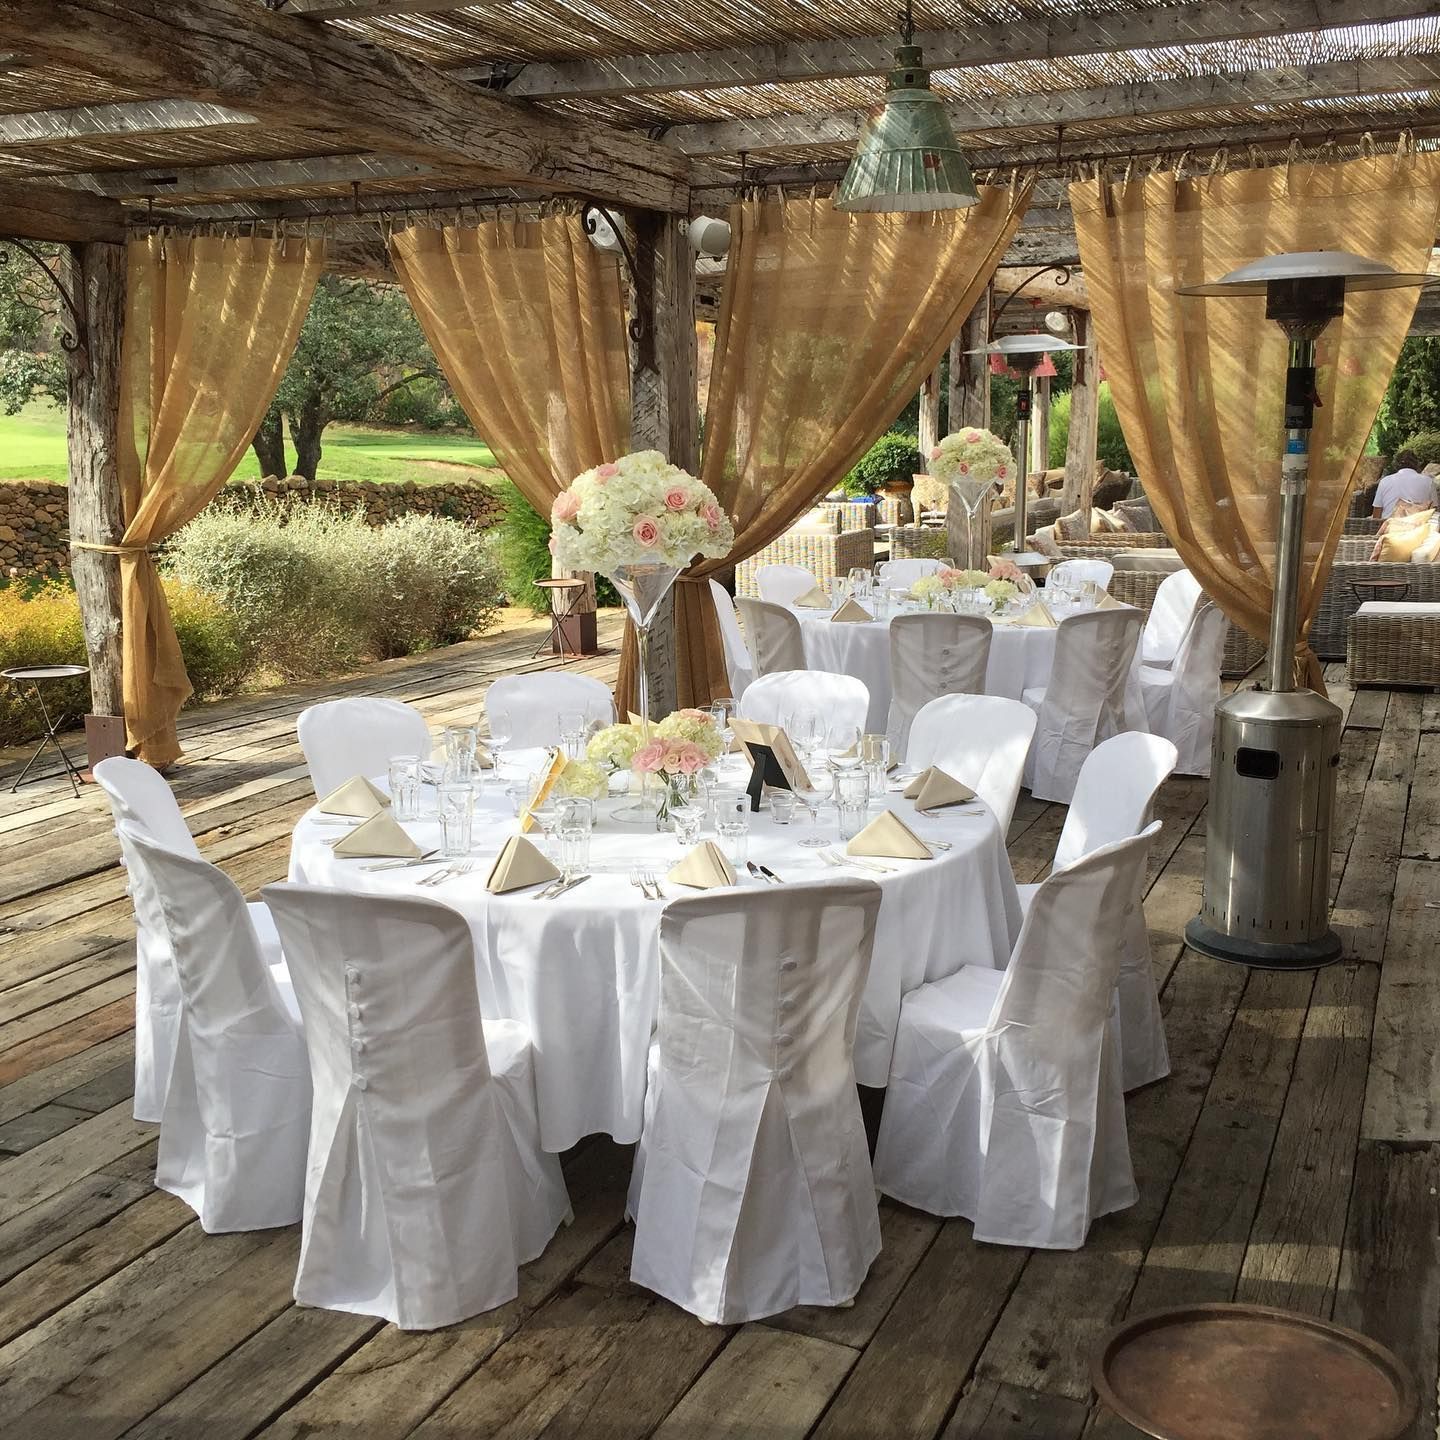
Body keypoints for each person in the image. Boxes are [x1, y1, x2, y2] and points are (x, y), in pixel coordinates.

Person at [1372, 450, 1437, 519]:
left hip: (1390, 527)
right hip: (1419, 527)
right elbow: (1434, 510)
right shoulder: (1428, 481)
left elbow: (1376, 514)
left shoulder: (1385, 481)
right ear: (1417, 464)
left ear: (1396, 464)